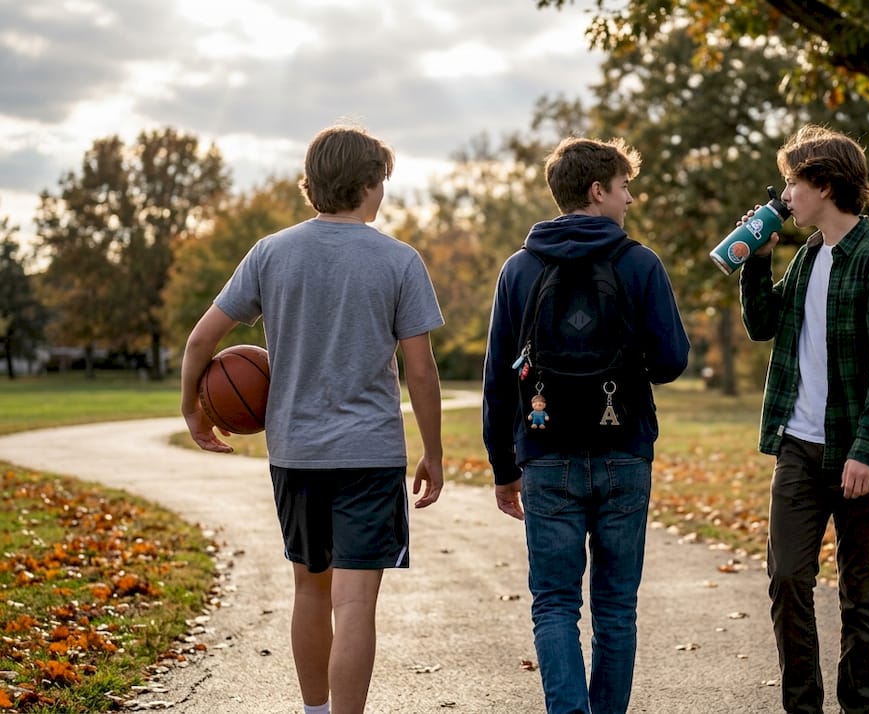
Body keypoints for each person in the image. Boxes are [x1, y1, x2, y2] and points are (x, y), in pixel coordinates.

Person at [179, 124, 446, 714]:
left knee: (310, 588)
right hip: (370, 455)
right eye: (384, 183)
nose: (384, 194)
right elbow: (421, 373)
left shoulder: (271, 252)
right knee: (354, 603)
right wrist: (434, 451)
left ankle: (314, 712)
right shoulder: (399, 260)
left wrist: (193, 412)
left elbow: (202, 340)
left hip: (296, 453)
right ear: (370, 184)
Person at [481, 136, 690, 714]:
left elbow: (499, 377)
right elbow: (672, 362)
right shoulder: (640, 263)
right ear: (598, 191)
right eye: (624, 188)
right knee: (617, 607)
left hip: (546, 455)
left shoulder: (519, 269)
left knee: (553, 603)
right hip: (624, 451)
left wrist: (504, 468)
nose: (630, 199)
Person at [737, 124, 869, 714]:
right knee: (787, 579)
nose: (785, 195)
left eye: (793, 181)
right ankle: (803, 707)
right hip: (800, 448)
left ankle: (856, 706)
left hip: (860, 454)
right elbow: (764, 325)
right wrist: (757, 258)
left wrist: (867, 448)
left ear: (826, 185)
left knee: (861, 596)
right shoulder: (810, 255)